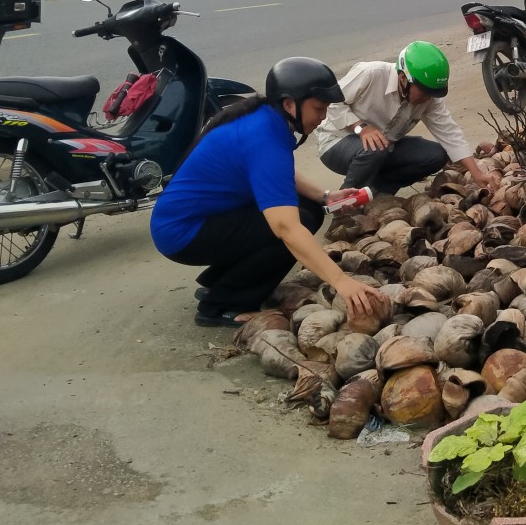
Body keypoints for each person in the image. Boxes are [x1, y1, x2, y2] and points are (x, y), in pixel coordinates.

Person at [150, 57, 388, 328]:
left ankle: (221, 283)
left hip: (202, 217)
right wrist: (341, 281)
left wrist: (324, 196)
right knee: (295, 226)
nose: (322, 117)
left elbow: (273, 173)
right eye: (318, 108)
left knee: (310, 209)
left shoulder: (267, 119)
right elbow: (285, 228)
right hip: (182, 232)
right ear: (289, 103)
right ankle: (220, 305)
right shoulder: (264, 135)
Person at [315, 41, 498, 195]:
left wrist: (476, 173)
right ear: (403, 78)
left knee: (435, 155)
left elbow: (449, 132)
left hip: (383, 148)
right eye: (424, 92)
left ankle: (379, 193)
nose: (427, 98)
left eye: (432, 93)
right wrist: (360, 128)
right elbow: (331, 102)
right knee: (376, 147)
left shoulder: (429, 99)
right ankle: (346, 204)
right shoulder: (371, 73)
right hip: (336, 142)